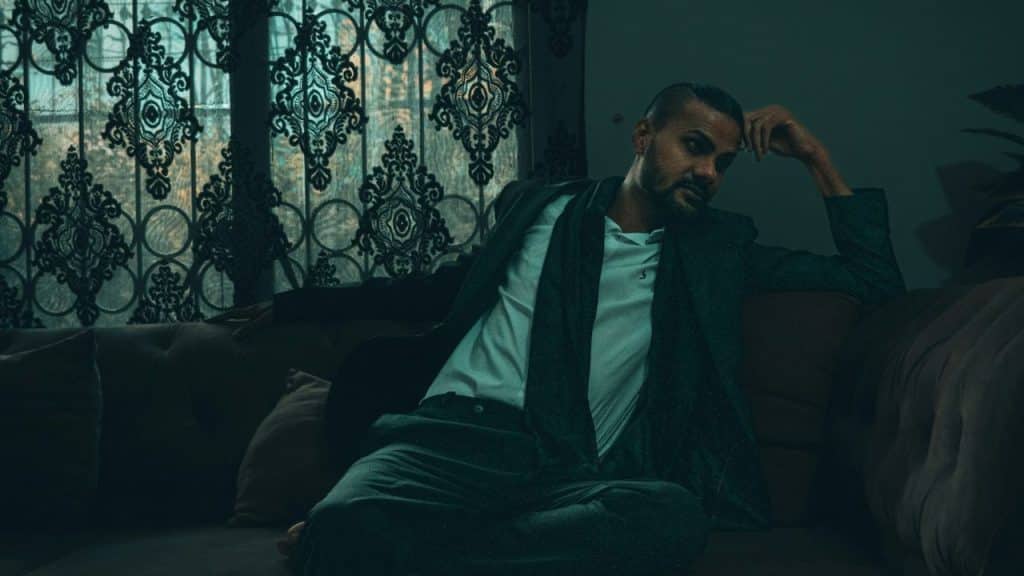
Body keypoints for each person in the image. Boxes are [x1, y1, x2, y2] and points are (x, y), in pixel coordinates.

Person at [230, 82, 905, 575]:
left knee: (671, 518)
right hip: (449, 440)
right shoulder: (539, 210)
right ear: (644, 137)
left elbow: (873, 282)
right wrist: (295, 305)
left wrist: (815, 156)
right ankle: (418, 538)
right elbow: (437, 289)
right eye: (695, 147)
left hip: (572, 470)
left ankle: (411, 551)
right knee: (343, 524)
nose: (708, 173)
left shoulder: (715, 254)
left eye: (722, 162)